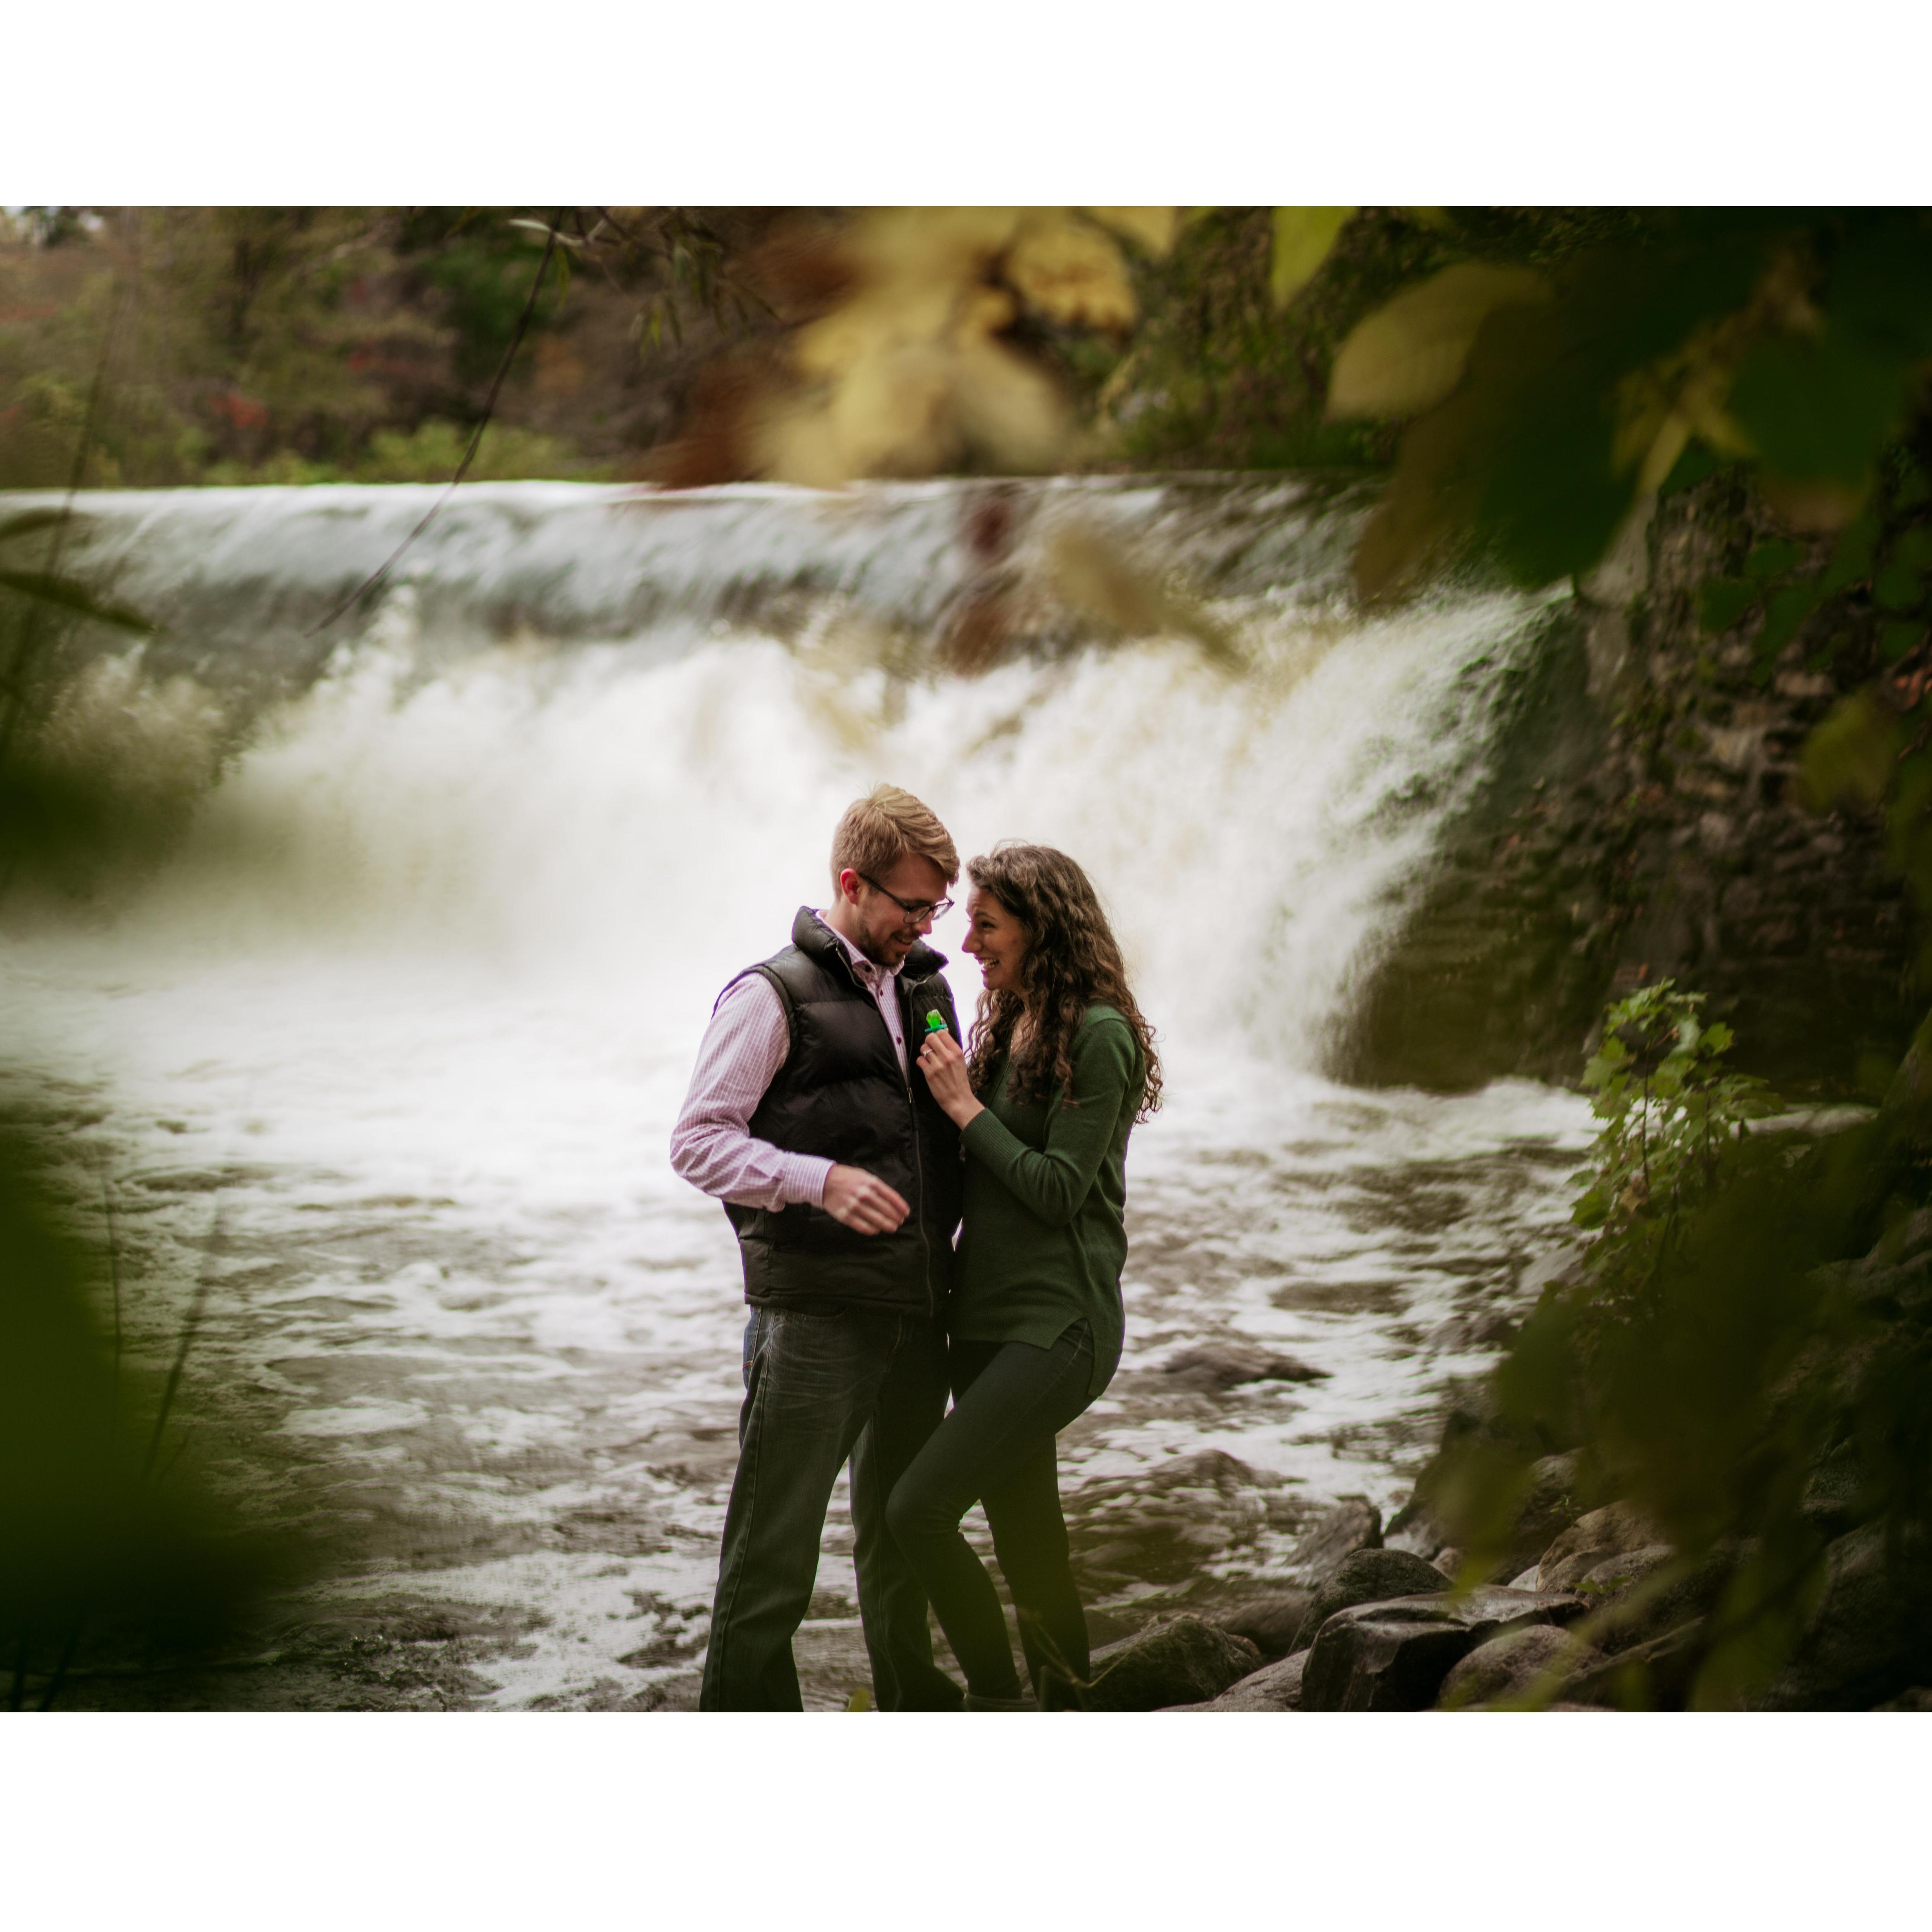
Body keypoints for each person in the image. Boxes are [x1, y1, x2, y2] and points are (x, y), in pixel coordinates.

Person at [670, 785, 968, 1711]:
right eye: (910, 906)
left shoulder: (926, 985)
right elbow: (697, 1142)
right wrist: (819, 1179)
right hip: (812, 1318)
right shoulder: (769, 997)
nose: (924, 926)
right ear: (852, 883)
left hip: (916, 1313)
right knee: (773, 1564)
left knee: (901, 1546)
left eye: (937, 908)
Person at [890, 841, 1162, 1710]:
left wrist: (965, 1106)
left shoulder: (1101, 1034)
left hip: (1061, 1324)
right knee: (1029, 1544)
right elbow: (974, 1177)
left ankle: (999, 1704)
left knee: (916, 1512)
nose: (969, 944)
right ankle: (1067, 1705)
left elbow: (1054, 1192)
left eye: (987, 923)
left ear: (1043, 928)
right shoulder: (1008, 1022)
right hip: (985, 1319)